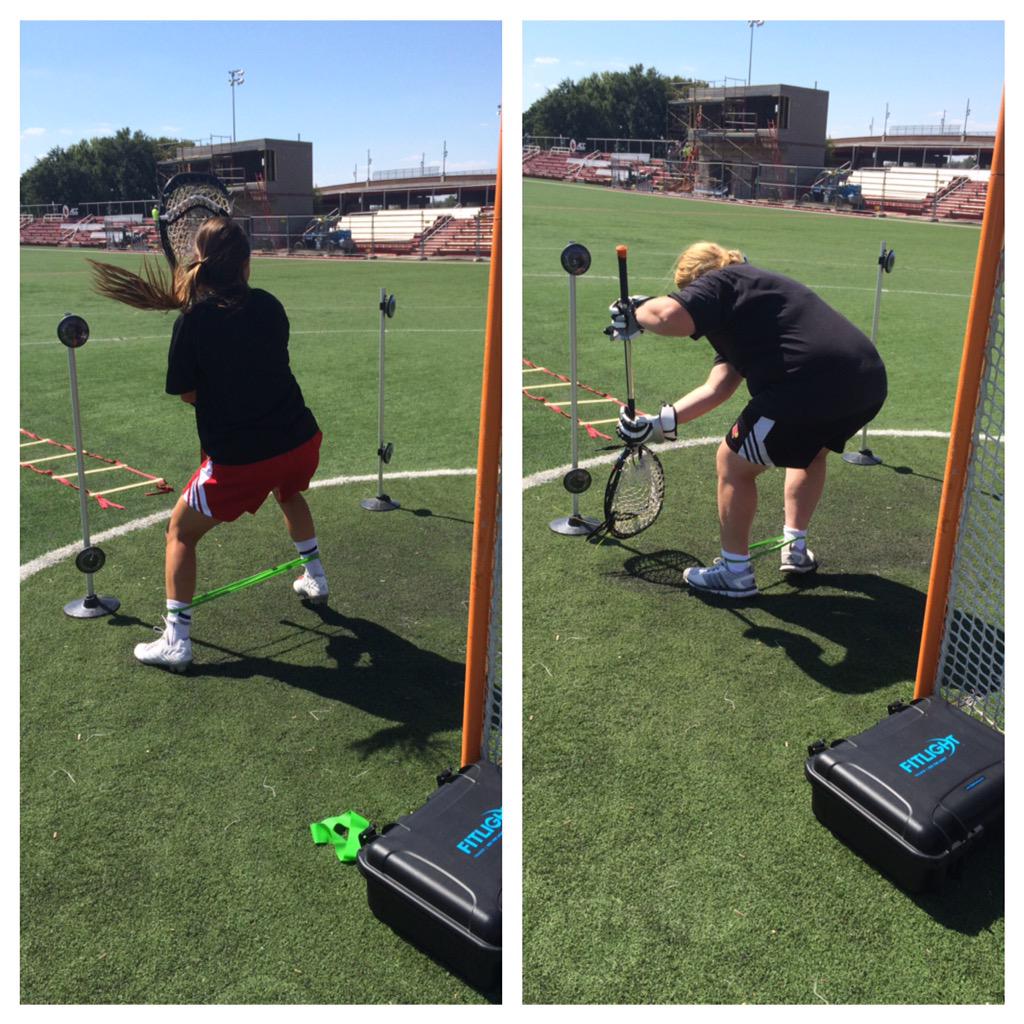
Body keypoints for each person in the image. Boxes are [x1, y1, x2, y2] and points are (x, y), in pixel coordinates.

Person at [89, 217, 328, 671]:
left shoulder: (192, 321)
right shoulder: (270, 306)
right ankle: (316, 577)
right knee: (289, 490)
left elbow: (187, 393)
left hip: (241, 459)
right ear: (247, 263)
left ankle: (177, 641)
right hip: (301, 439)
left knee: (180, 532)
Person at [610, 240, 887, 598]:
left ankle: (734, 572)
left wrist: (636, 310)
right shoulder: (749, 303)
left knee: (733, 463)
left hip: (809, 380)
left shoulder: (721, 281)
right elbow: (719, 386)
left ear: (695, 283)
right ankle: (796, 549)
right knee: (811, 452)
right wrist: (658, 424)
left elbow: (667, 317)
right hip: (867, 381)